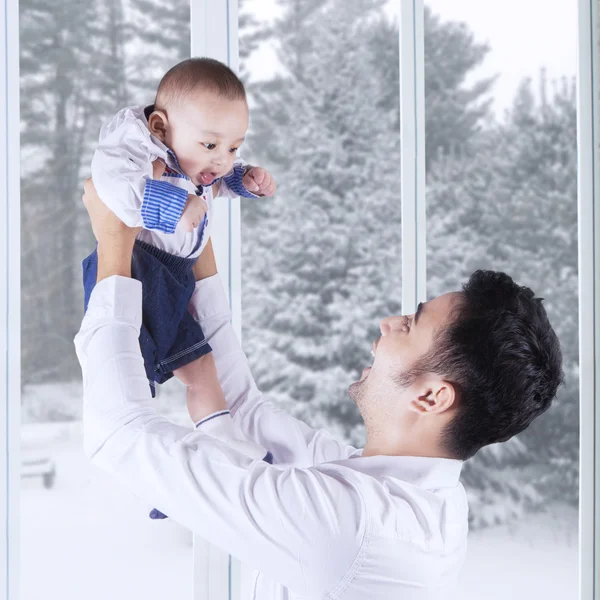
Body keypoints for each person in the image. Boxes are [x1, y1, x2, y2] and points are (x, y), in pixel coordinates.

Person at [74, 176, 563, 599]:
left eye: (411, 325)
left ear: (433, 397)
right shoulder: (402, 490)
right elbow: (245, 410)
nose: (388, 322)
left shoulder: (356, 526)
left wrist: (113, 240)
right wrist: (196, 236)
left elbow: (118, 432)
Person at [82, 57, 276, 518]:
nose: (220, 158)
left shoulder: (199, 159)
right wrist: (169, 203)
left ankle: (221, 438)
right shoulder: (131, 142)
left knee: (201, 365)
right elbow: (108, 183)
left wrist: (242, 180)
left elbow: (212, 178)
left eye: (234, 147)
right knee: (131, 378)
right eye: (211, 144)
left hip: (173, 277)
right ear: (160, 125)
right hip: (135, 268)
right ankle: (152, 478)